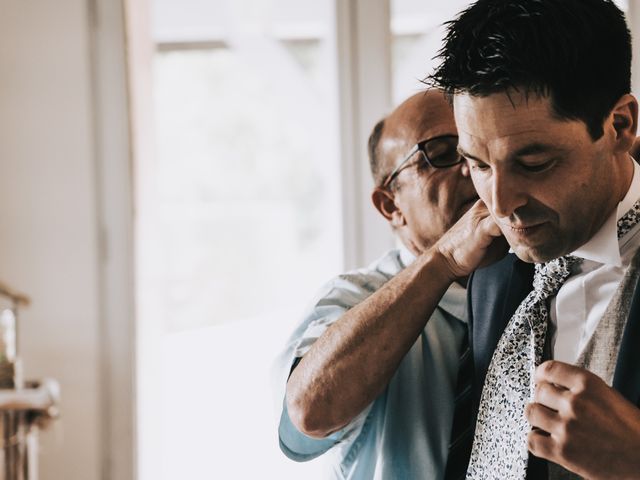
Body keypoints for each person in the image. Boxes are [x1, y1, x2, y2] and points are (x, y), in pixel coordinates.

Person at [427, 0, 640, 478]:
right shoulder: (492, 266)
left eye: (534, 163)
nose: (501, 203)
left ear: (620, 126)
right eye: (478, 164)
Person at [273, 89, 504, 479]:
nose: (470, 168)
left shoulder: (545, 280)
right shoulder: (354, 297)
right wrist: (443, 260)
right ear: (390, 205)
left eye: (475, 149)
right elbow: (309, 414)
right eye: (443, 152)